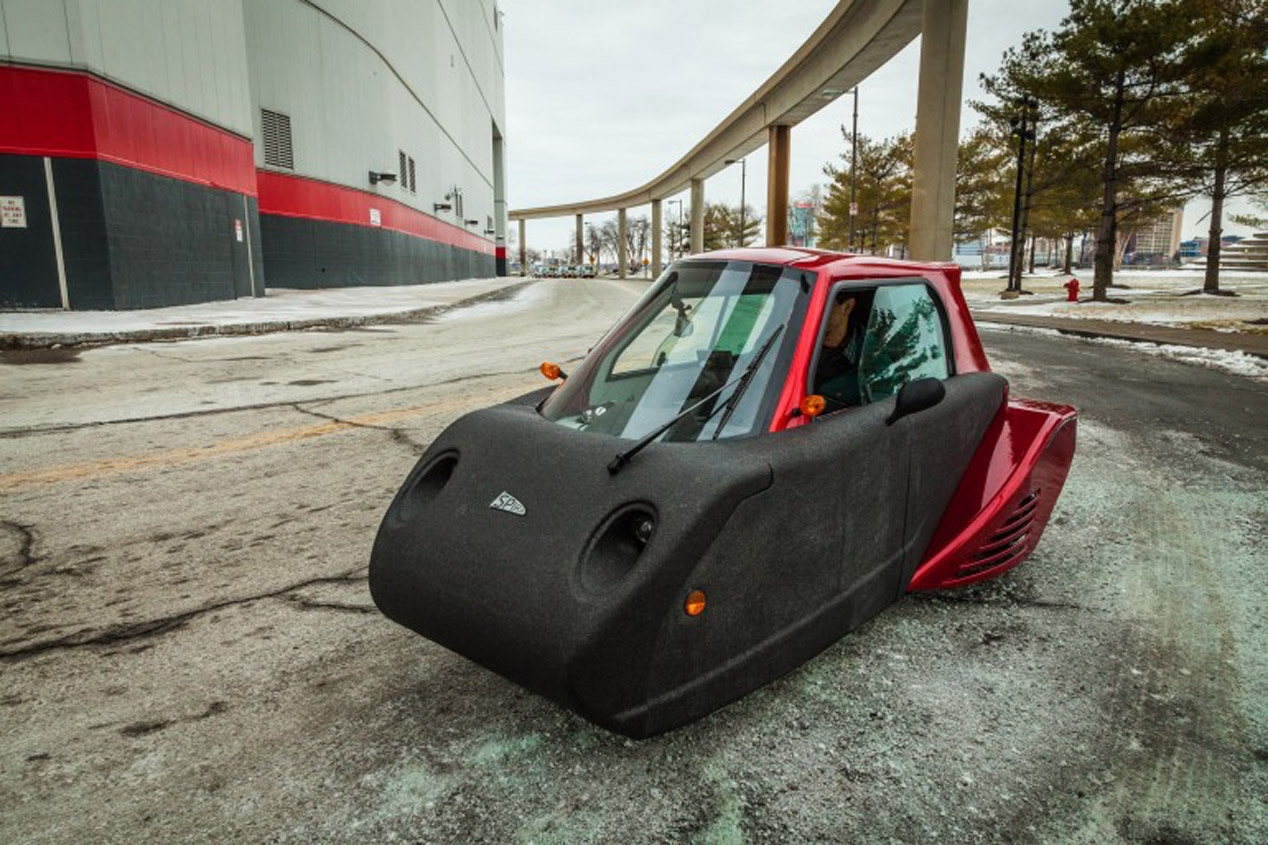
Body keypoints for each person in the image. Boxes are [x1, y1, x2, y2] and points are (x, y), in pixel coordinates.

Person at [814, 291, 868, 410]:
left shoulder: (871, 358)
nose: (809, 312)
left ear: (847, 308)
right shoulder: (790, 340)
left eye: (819, 304)